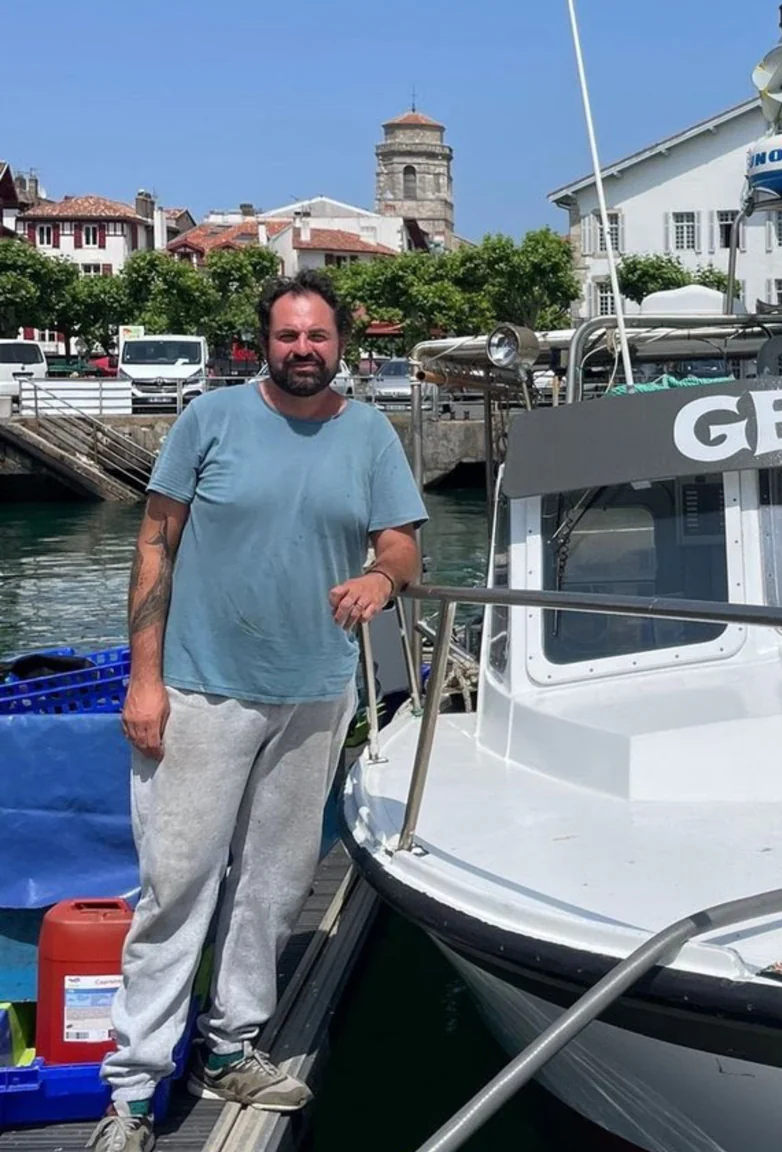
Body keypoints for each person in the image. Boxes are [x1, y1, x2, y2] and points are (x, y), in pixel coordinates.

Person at [91, 270, 427, 1152]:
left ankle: (233, 1044)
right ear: (263, 343)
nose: (303, 350)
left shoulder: (370, 435)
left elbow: (402, 544)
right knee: (176, 886)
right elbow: (155, 542)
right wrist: (143, 678)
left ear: (341, 344)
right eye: (288, 336)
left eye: (318, 336)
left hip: (316, 692)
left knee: (274, 892)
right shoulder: (211, 419)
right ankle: (130, 1092)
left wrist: (380, 576)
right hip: (201, 688)